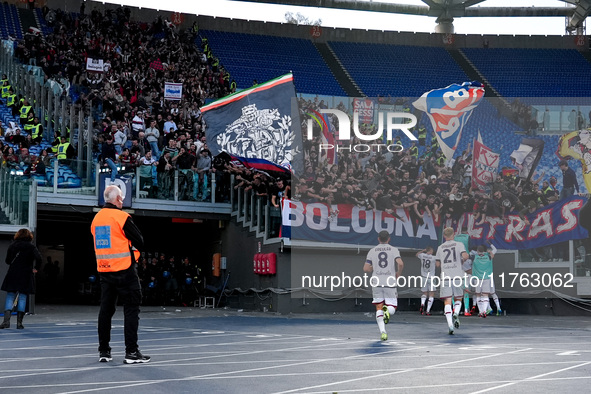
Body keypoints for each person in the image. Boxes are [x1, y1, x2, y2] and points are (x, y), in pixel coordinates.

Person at [90, 185, 150, 364]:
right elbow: (140, 241)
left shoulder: (96, 219)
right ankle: (131, 352)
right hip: (124, 270)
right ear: (117, 199)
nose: (122, 201)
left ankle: (104, 351)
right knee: (131, 309)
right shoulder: (122, 217)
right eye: (121, 198)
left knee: (105, 311)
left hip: (104, 270)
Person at [363, 230, 404, 341]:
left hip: (376, 281)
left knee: (378, 307)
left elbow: (366, 269)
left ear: (378, 239)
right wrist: (398, 274)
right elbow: (400, 263)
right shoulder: (394, 250)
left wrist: (374, 268)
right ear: (389, 239)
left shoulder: (372, 251)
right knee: (392, 307)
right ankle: (388, 311)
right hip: (389, 281)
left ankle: (383, 332)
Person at [1, 228, 43, 330]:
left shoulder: (12, 246)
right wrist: (36, 269)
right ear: (29, 236)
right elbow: (39, 258)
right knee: (23, 297)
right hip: (26, 273)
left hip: (13, 273)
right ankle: (19, 323)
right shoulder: (31, 246)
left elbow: (7, 261)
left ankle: (6, 322)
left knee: (10, 296)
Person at [436, 227, 469, 335]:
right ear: (453, 234)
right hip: (457, 275)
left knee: (447, 301)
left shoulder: (440, 247)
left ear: (444, 236)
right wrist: (462, 260)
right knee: (458, 298)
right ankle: (456, 312)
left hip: (445, 276)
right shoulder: (459, 245)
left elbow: (437, 264)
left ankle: (450, 325)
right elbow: (465, 256)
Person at [471, 242, 498, 317]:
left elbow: (468, 253)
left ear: (477, 251)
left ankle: (481, 311)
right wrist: (490, 244)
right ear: (484, 251)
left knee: (478, 295)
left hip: (477, 279)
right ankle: (484, 311)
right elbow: (495, 250)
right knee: (485, 295)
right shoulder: (489, 256)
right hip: (486, 278)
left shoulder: (474, 257)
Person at [416, 246, 436, 316]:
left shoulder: (422, 255)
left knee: (424, 293)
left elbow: (417, 254)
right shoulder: (434, 257)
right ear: (430, 251)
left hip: (424, 277)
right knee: (431, 294)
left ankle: (422, 304)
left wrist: (422, 250)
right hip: (431, 277)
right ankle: (428, 310)